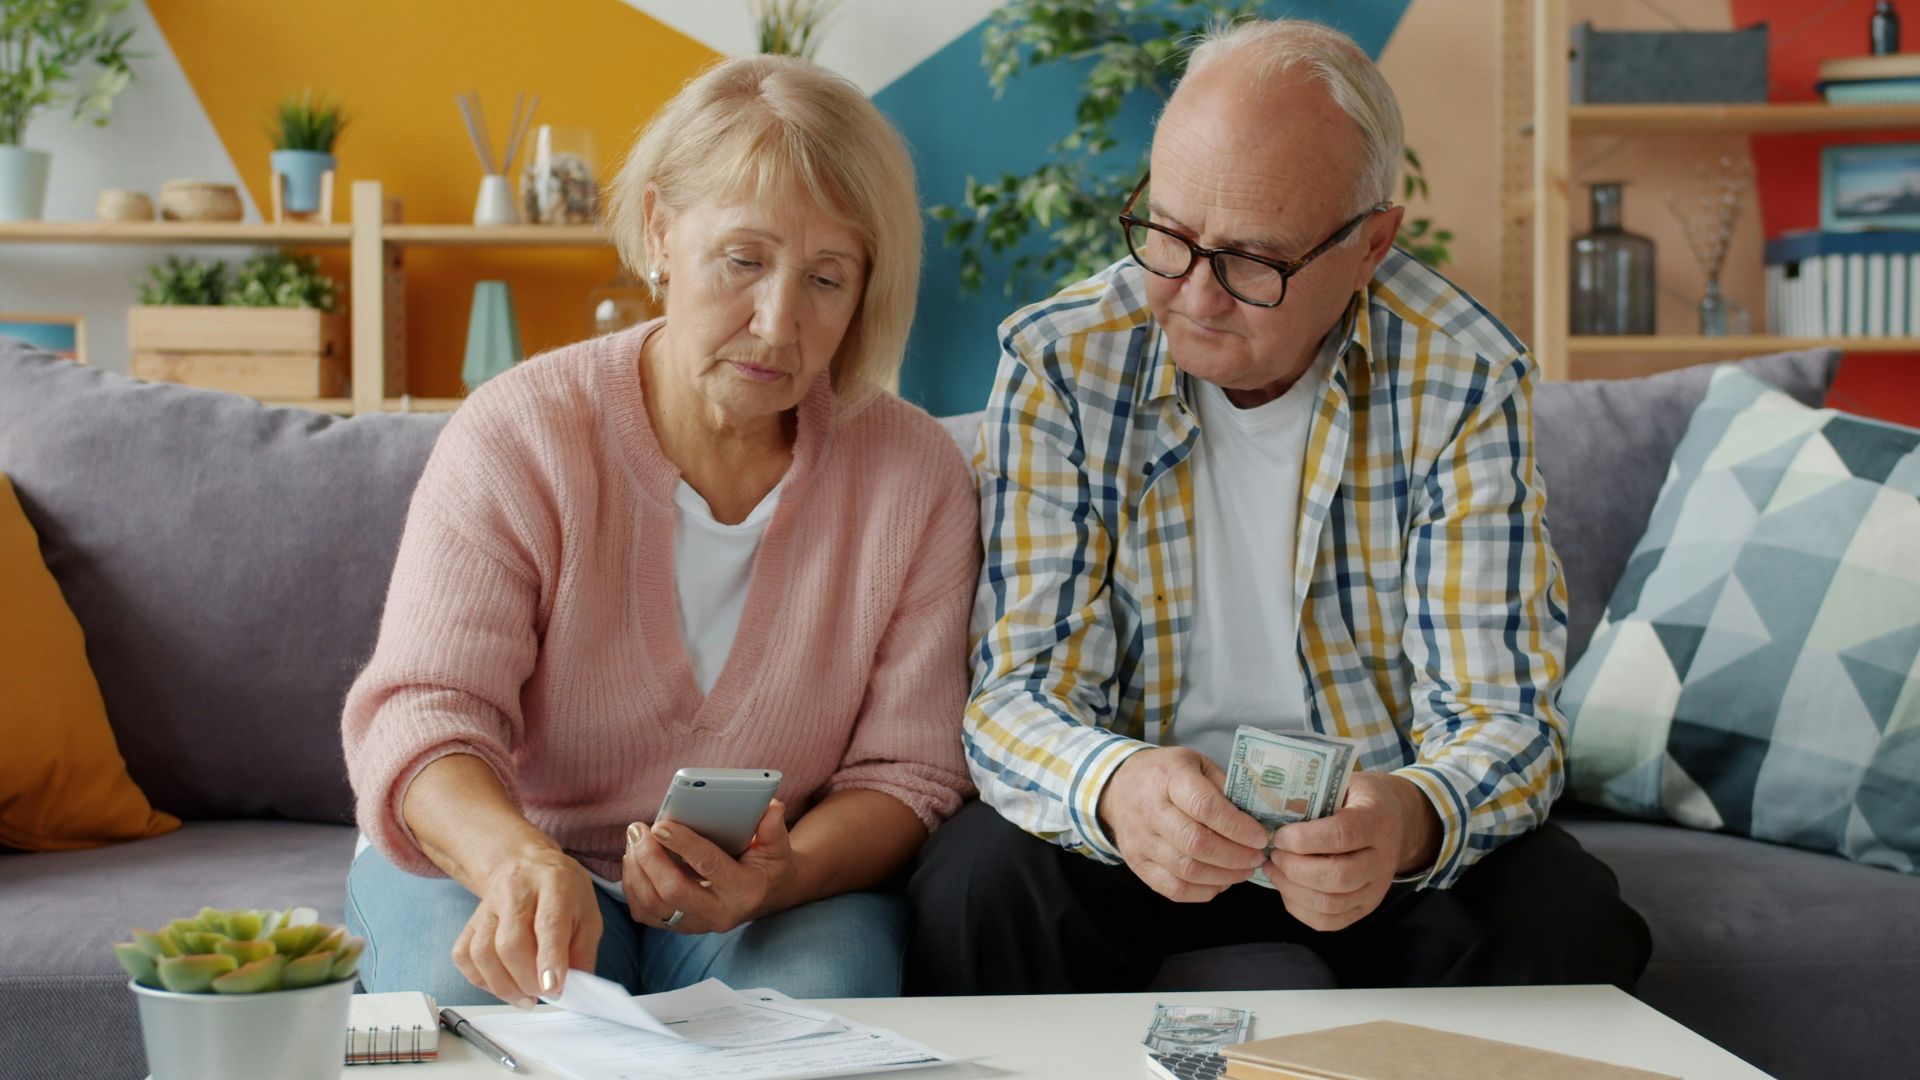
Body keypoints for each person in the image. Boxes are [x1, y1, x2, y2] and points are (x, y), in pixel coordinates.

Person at [907, 18, 1651, 994]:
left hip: (1374, 839)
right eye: (1167, 235)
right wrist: (1117, 786)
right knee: (974, 890)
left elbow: (1502, 716)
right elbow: (1016, 693)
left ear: (1371, 244)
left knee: (1570, 916)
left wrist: (1409, 817)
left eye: (1253, 262)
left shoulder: (1463, 372)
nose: (1193, 297)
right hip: (1137, 834)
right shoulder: (1063, 361)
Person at [341, 54, 979, 1008]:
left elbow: (908, 773)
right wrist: (515, 859)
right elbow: (427, 715)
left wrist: (782, 875)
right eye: (743, 260)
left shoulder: (914, 475)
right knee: (475, 1005)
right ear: (659, 233)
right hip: (505, 854)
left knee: (830, 990)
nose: (777, 323)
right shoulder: (522, 432)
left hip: (768, 896)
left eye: (826, 278)